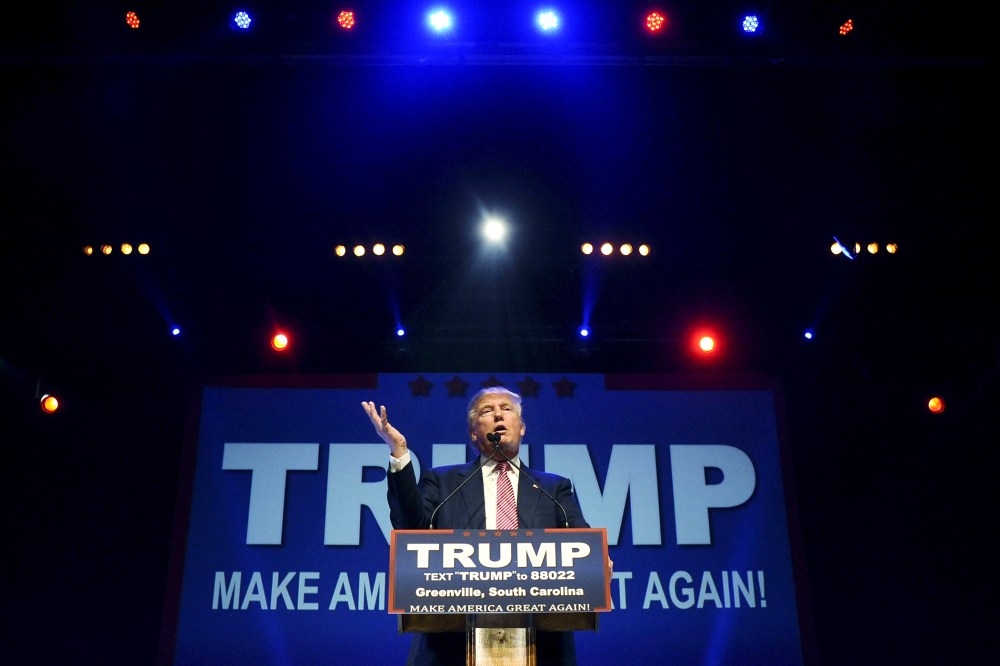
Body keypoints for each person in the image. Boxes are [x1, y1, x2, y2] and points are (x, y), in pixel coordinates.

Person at [363, 387, 590, 666]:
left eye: (506, 409)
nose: (498, 415)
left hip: (542, 646)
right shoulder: (442, 482)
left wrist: (596, 561)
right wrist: (399, 450)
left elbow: (581, 539)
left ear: (521, 428)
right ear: (473, 432)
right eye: (487, 411)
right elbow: (410, 530)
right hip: (450, 647)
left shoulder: (554, 487)